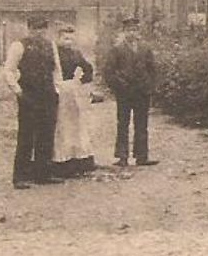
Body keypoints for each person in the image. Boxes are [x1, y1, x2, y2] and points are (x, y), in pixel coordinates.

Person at [2, 14, 63, 188]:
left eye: (43, 29)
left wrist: (57, 89)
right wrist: (18, 90)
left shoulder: (50, 45)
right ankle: (20, 176)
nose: (39, 32)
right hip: (29, 95)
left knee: (47, 134)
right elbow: (8, 70)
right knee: (27, 135)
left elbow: (56, 70)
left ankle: (43, 173)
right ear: (29, 29)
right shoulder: (19, 46)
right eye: (36, 29)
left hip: (48, 94)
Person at [102, 15, 158, 166]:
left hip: (142, 92)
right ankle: (122, 156)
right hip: (124, 92)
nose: (132, 33)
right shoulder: (117, 49)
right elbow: (109, 71)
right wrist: (119, 86)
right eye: (129, 30)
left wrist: (150, 86)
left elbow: (152, 69)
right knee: (123, 123)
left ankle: (142, 156)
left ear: (138, 31)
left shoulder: (145, 48)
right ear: (124, 31)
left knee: (142, 124)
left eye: (134, 30)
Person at [52, 24, 97, 176]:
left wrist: (80, 82)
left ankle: (78, 159)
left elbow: (88, 69)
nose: (68, 41)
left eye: (71, 38)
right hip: (56, 90)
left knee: (75, 124)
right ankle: (60, 161)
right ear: (58, 38)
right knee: (60, 125)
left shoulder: (75, 54)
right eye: (65, 38)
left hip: (70, 90)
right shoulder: (53, 53)